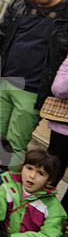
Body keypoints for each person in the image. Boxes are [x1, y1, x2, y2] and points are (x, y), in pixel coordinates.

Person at [0, 0, 68, 170]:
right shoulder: (19, 3)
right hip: (4, 81)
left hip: (33, 92)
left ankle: (4, 192)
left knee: (13, 146)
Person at [0, 149, 66, 237]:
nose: (32, 176)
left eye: (40, 173)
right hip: (3, 236)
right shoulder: (9, 187)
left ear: (49, 180)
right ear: (22, 168)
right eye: (29, 168)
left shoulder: (53, 208)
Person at [45, 51, 68, 213]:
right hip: (62, 130)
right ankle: (34, 213)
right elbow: (58, 88)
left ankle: (60, 222)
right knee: (50, 174)